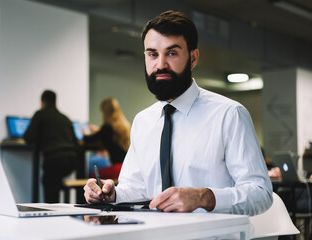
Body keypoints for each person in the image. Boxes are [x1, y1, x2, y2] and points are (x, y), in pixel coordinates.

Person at [84, 10, 273, 216]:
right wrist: (113, 195)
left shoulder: (229, 115)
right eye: (153, 54)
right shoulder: (143, 121)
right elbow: (137, 188)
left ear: (193, 58)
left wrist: (204, 197)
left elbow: (261, 193)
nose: (160, 65)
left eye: (172, 53)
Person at [24, 90, 79, 203]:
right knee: (54, 181)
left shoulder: (40, 114)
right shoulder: (65, 118)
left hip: (54, 160)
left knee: (49, 183)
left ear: (42, 102)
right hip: (71, 162)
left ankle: (52, 214)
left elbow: (28, 137)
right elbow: (76, 143)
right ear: (55, 102)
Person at [83, 97, 131, 179]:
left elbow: (89, 139)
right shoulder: (124, 126)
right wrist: (99, 130)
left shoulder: (107, 127)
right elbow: (107, 134)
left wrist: (84, 133)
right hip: (126, 167)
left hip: (117, 168)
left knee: (93, 177)